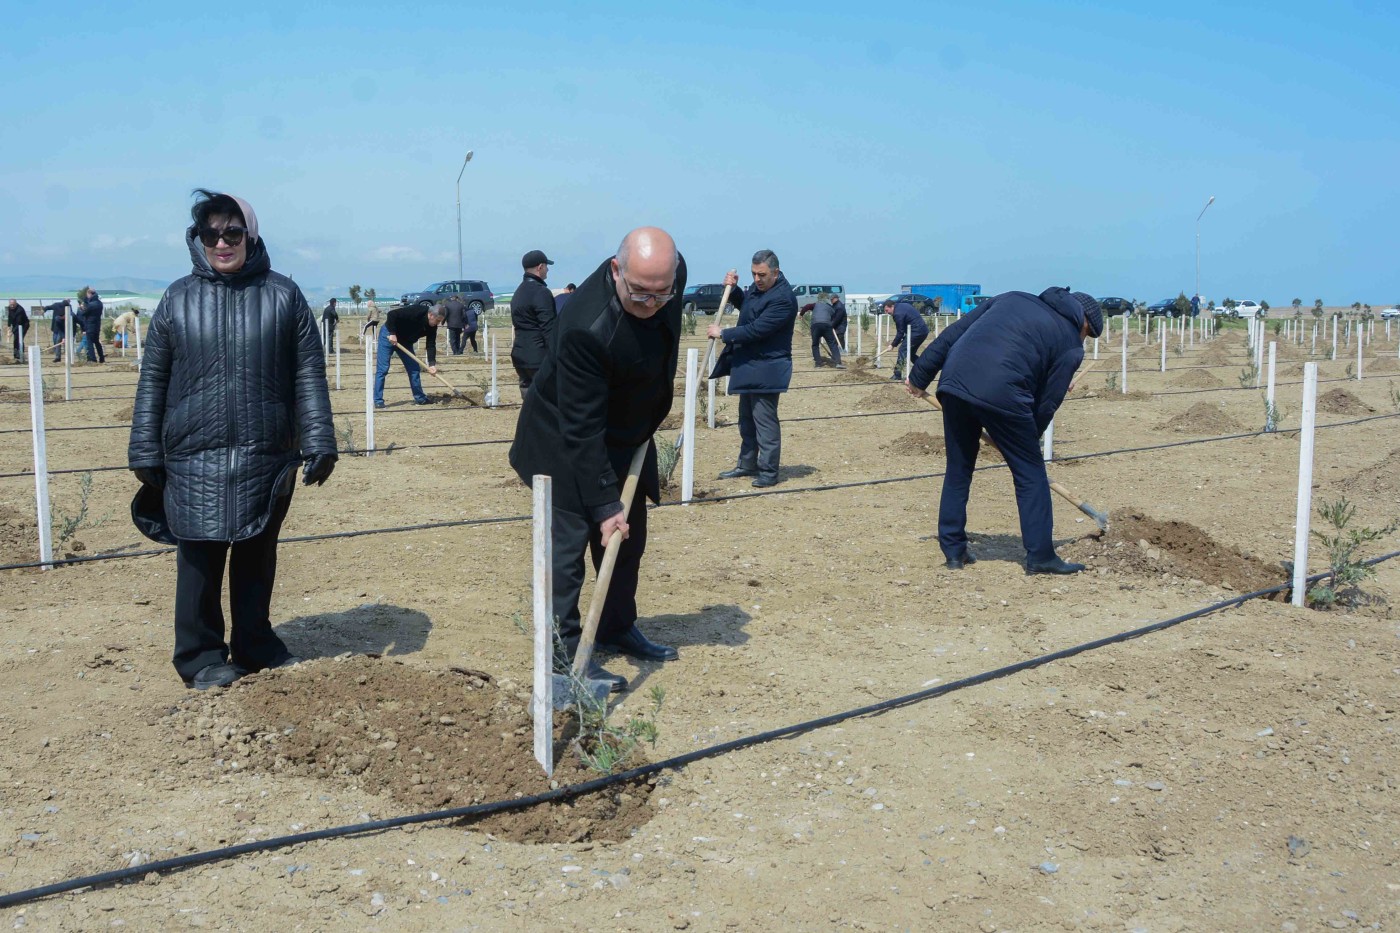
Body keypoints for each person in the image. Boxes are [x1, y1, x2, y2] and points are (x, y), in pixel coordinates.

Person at [127, 189, 336, 690]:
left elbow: (307, 374)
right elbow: (153, 377)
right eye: (210, 234)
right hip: (193, 453)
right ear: (197, 240)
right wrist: (144, 447)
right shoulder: (177, 298)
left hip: (265, 453)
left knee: (256, 555)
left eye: (233, 233)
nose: (222, 243)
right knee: (198, 557)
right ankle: (200, 657)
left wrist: (319, 438)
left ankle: (255, 645)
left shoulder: (284, 296)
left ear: (251, 236)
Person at [509, 227, 687, 692]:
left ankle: (615, 626)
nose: (652, 304)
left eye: (662, 294)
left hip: (628, 433)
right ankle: (565, 654)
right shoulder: (586, 329)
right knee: (567, 553)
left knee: (629, 545)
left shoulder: (669, 275)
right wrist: (606, 506)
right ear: (616, 269)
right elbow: (582, 431)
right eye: (640, 294)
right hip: (563, 441)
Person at [905, 287, 1104, 575]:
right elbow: (1048, 401)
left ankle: (954, 551)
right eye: (1088, 333)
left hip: (954, 382)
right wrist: (1025, 442)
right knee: (1030, 474)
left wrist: (920, 375)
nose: (1084, 339)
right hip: (1003, 392)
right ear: (1084, 322)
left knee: (959, 469)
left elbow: (954, 333)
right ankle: (1041, 557)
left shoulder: (1012, 298)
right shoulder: (1071, 344)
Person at [707, 249, 797, 488]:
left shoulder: (783, 298)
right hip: (749, 364)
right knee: (746, 420)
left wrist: (724, 333)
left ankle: (768, 472)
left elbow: (757, 329)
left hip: (767, 367)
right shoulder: (759, 290)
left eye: (762, 274)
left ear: (775, 273)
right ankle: (747, 464)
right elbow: (747, 308)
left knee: (764, 421)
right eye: (754, 274)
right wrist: (735, 290)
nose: (757, 279)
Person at [373, 302, 444, 407]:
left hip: (405, 342)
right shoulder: (417, 311)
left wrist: (432, 364)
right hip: (388, 336)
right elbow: (392, 314)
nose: (438, 323)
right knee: (383, 369)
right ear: (431, 315)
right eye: (437, 320)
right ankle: (378, 400)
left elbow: (431, 345)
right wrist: (392, 333)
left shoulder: (432, 326)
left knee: (414, 368)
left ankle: (420, 398)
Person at [509, 249, 556, 393]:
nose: (548, 270)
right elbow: (549, 328)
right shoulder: (541, 292)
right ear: (540, 267)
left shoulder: (518, 292)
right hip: (539, 357)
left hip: (520, 355)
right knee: (547, 402)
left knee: (529, 403)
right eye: (546, 266)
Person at [885, 297, 927, 381]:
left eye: (887, 310)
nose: (886, 313)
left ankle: (897, 374)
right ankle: (925, 368)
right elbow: (906, 325)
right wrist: (903, 338)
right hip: (923, 331)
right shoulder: (903, 305)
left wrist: (893, 345)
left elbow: (900, 332)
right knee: (910, 353)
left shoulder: (897, 314)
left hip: (917, 332)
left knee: (902, 350)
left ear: (892, 306)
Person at [807, 292, 843, 368]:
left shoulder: (815, 305)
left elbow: (807, 306)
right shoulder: (829, 307)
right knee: (832, 344)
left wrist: (801, 314)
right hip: (827, 325)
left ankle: (818, 363)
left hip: (815, 325)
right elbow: (833, 316)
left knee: (815, 344)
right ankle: (838, 362)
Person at [79, 286, 105, 363]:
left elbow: (84, 313)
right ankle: (101, 358)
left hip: (90, 325)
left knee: (89, 342)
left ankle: (93, 358)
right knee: (97, 342)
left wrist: (81, 309)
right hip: (97, 325)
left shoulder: (91, 305)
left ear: (90, 294)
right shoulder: (100, 303)